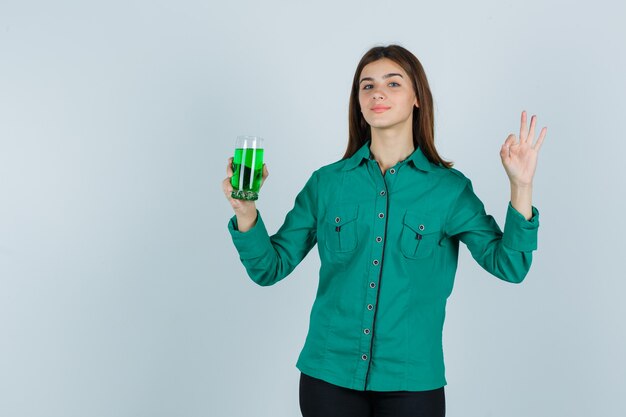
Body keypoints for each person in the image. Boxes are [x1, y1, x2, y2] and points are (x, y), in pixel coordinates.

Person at [221, 44, 546, 417]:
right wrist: (245, 210)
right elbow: (269, 267)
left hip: (412, 384)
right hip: (328, 377)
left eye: (393, 83)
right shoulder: (327, 184)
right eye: (367, 85)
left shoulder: (449, 190)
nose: (378, 92)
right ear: (357, 102)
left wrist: (521, 186)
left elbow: (510, 265)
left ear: (417, 98)